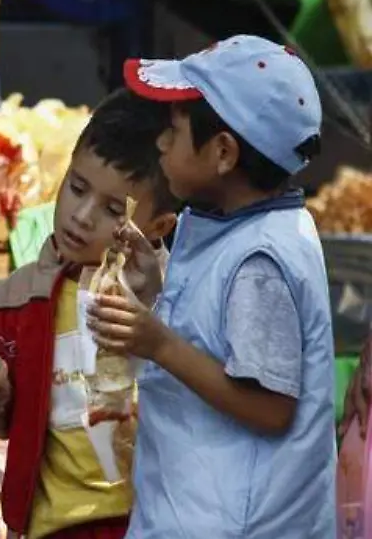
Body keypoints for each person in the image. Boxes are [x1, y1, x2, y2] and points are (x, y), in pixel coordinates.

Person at [89, 35, 335, 537]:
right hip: (200, 507)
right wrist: (157, 287)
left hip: (239, 522)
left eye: (174, 132)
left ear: (223, 152)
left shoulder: (260, 260)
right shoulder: (236, 226)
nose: (160, 143)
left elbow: (270, 408)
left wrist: (155, 341)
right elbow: (220, 337)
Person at [0, 89, 180, 539]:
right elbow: (1, 423)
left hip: (149, 522)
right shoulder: (16, 302)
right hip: (50, 525)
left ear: (157, 226)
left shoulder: (174, 299)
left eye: (113, 210)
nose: (81, 216)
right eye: (76, 188)